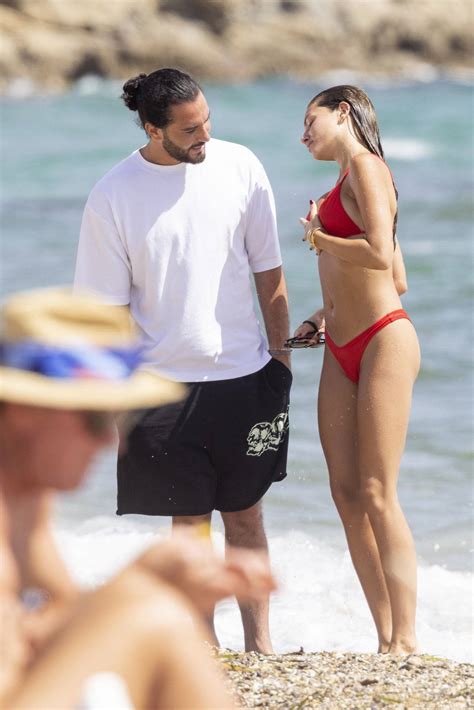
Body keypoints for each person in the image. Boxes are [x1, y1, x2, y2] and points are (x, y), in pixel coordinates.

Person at [74, 67, 291, 653]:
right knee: (188, 524)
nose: (205, 136)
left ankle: (260, 644)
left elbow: (269, 269)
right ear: (152, 128)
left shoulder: (240, 165)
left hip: (245, 376)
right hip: (161, 388)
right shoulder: (113, 195)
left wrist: (281, 361)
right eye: (190, 129)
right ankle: (201, 647)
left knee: (246, 515)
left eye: (208, 121)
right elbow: (106, 311)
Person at [0, 287, 275, 708]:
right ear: (24, 412)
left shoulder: (25, 496)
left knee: (156, 612)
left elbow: (62, 613)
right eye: (94, 419)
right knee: (153, 613)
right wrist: (137, 585)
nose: (112, 442)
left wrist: (151, 574)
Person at [296, 85, 420, 655]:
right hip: (340, 343)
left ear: (342, 112)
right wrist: (324, 314)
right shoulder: (340, 184)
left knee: (376, 491)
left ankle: (407, 638)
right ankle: (384, 636)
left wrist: (319, 237)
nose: (304, 134)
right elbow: (395, 273)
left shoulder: (370, 167)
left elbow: (376, 250)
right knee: (345, 493)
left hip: (383, 340)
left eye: (310, 120)